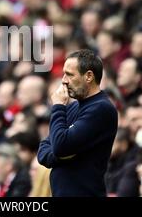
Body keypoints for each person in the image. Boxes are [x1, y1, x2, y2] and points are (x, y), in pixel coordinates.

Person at [37, 49, 118, 196]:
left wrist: (58, 106)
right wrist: (60, 152)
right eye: (64, 74)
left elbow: (60, 146)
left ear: (88, 76)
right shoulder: (74, 106)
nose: (63, 80)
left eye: (69, 74)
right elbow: (43, 150)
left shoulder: (101, 108)